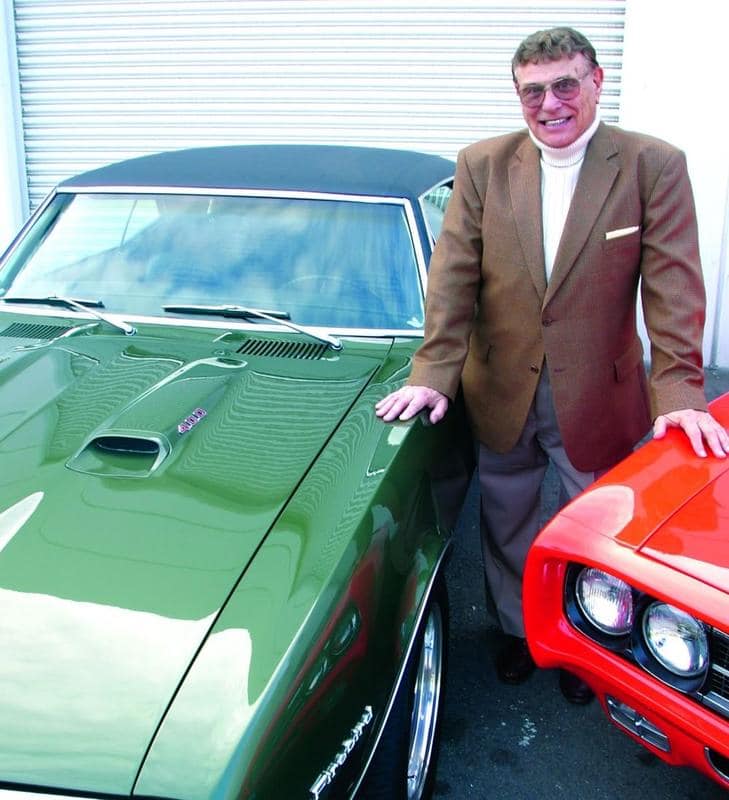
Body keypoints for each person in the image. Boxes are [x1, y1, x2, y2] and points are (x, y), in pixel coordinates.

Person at [375, 26, 729, 704]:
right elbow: (452, 278)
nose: (550, 104)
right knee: (505, 518)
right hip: (501, 387)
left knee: (594, 526)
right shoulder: (482, 164)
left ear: (596, 81)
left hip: (598, 392)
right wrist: (433, 373)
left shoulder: (651, 164)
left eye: (564, 84)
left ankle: (582, 640)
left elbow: (673, 288)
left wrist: (680, 392)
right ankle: (519, 629)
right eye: (532, 91)